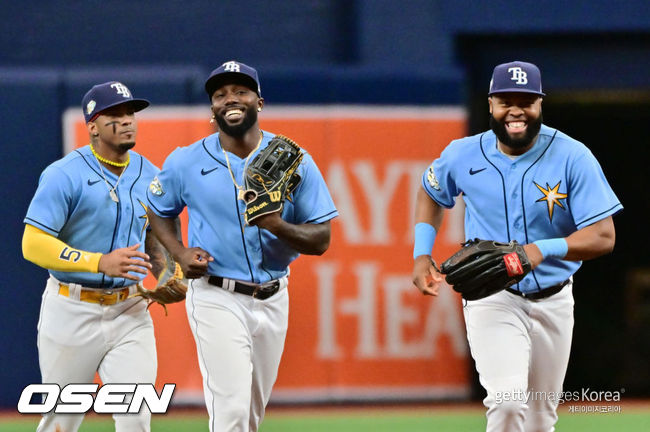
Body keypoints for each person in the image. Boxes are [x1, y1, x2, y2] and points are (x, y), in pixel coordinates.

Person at [412, 61, 622, 431]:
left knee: (541, 418)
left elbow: (603, 236)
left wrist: (541, 249)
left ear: (540, 105)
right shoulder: (463, 154)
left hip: (555, 298)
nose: (516, 110)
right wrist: (421, 253)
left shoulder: (573, 156)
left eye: (526, 101)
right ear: (490, 104)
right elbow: (431, 192)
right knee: (508, 405)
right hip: (493, 295)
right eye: (506, 100)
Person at [146, 60, 338, 432]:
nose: (230, 99)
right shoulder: (186, 161)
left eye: (240, 92)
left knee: (250, 416)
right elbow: (157, 210)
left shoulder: (293, 161)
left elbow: (322, 239)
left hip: (273, 295)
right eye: (220, 95)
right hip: (216, 294)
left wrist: (275, 225)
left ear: (259, 102)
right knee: (231, 412)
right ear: (212, 109)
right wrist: (180, 253)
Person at [23, 81, 167, 432]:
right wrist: (98, 261)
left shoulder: (151, 174)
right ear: (92, 126)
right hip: (71, 309)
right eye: (114, 115)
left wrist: (168, 274)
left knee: (136, 418)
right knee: (61, 421)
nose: (127, 120)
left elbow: (156, 238)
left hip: (129, 309)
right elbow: (33, 243)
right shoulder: (63, 175)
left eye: (130, 112)